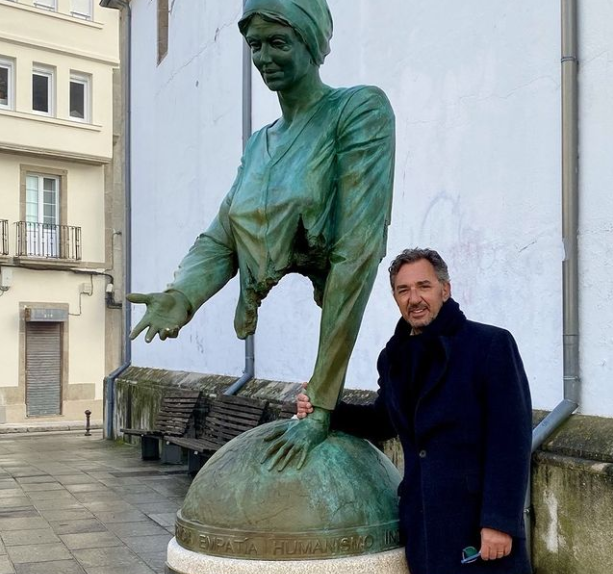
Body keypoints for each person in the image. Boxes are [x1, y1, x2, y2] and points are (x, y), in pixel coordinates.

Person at [127, 0, 395, 466]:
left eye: (278, 42)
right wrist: (183, 295)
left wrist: (322, 403)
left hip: (338, 304)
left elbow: (356, 253)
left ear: (310, 44)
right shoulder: (259, 143)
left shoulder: (357, 110)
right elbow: (224, 233)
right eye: (255, 45)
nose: (265, 57)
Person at [298, 248, 533, 574]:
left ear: (444, 289)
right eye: (403, 290)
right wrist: (325, 409)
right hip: (422, 523)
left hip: (477, 525)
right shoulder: (394, 357)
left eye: (424, 286)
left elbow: (511, 440)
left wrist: (499, 521)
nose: (414, 298)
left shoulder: (489, 345)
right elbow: (383, 421)